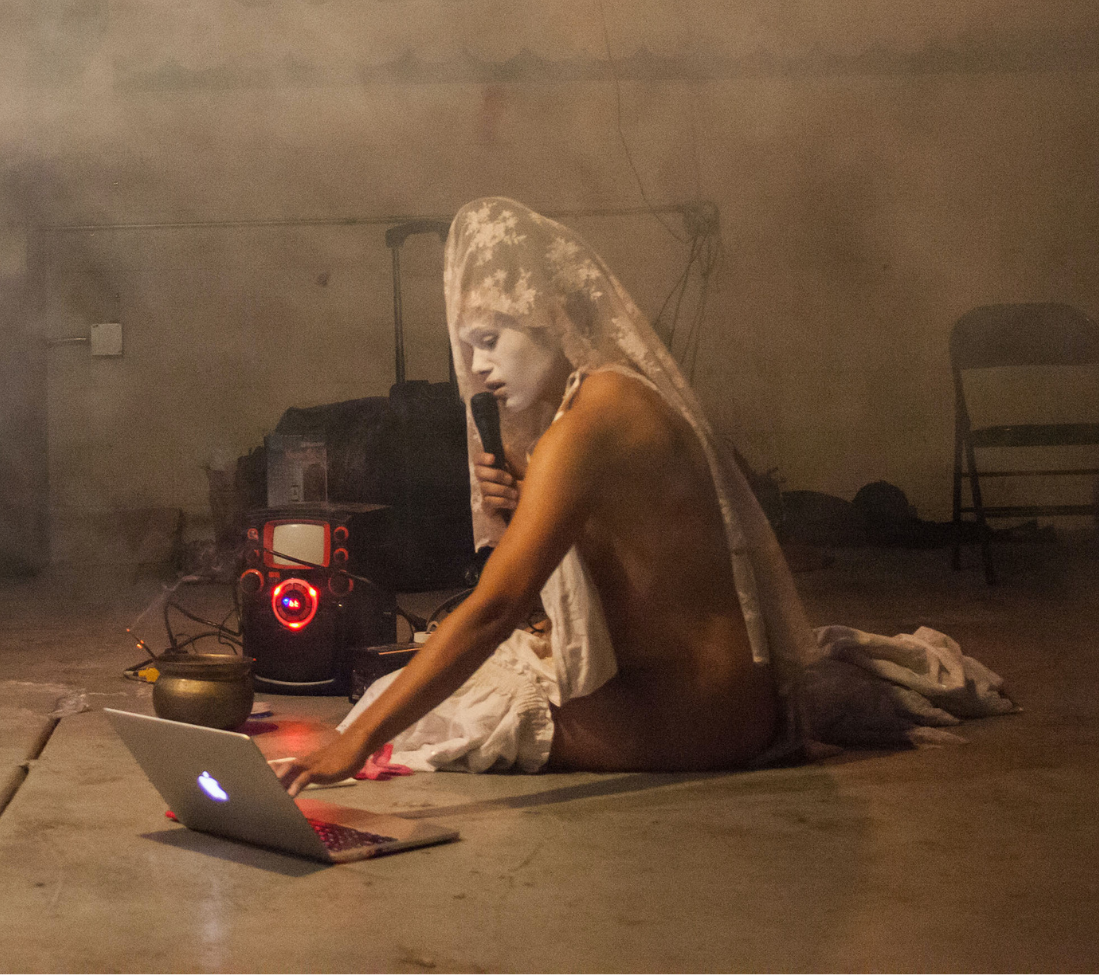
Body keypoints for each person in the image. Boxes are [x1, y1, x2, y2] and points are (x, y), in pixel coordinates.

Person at [277, 198, 820, 793]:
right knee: (413, 698)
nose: (479, 367)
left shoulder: (588, 425)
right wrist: (523, 502)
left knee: (437, 720)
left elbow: (499, 606)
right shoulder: (609, 396)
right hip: (711, 695)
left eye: (491, 340)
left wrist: (354, 743)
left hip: (703, 714)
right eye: (469, 348)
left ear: (549, 317)